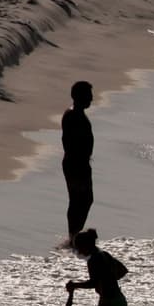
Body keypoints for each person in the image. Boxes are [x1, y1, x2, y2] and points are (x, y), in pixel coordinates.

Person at [62, 80, 94, 245]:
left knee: (85, 199)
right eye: (88, 95)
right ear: (79, 96)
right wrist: (79, 162)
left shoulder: (78, 113)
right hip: (75, 164)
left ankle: (74, 235)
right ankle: (73, 236)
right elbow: (67, 141)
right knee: (78, 200)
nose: (91, 99)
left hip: (80, 163)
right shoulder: (72, 114)